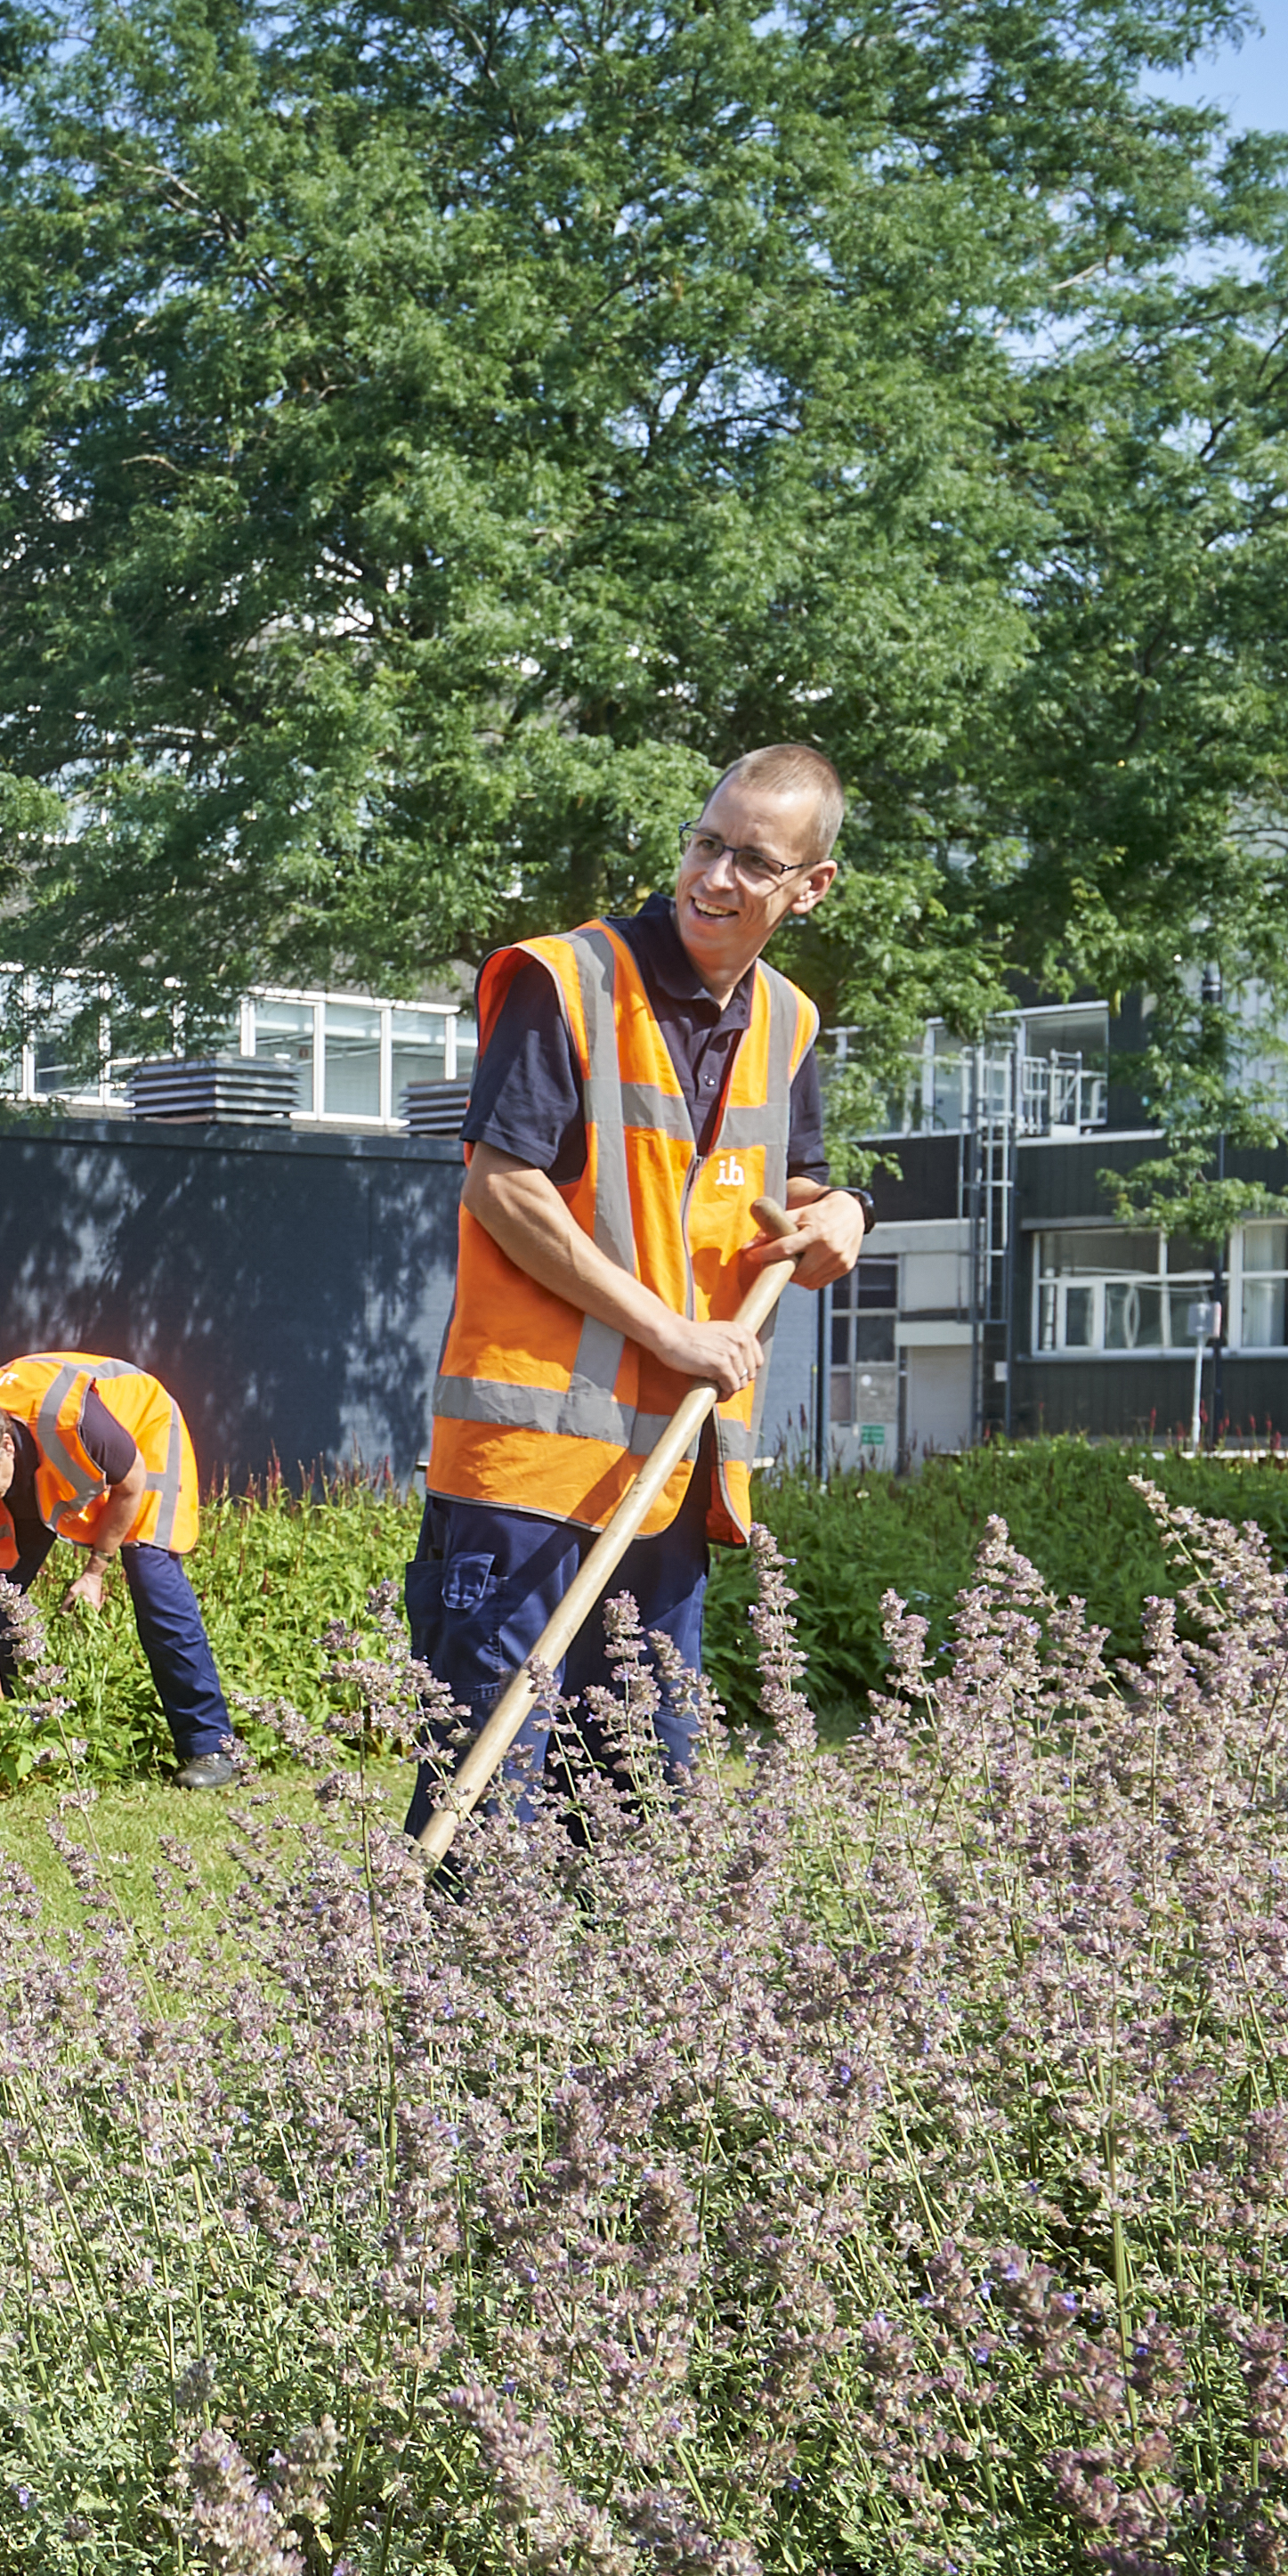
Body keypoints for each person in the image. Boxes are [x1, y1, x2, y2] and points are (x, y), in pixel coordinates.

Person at [410, 744, 872, 1835]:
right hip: (530, 1467)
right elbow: (501, 1185)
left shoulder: (789, 1024)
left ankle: (616, 2006)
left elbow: (783, 1187)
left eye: (752, 861)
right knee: (489, 1793)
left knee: (636, 1803)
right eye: (704, 843)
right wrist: (670, 1330)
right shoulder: (564, 981)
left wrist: (842, 1210)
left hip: (673, 1465)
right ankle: (452, 2003)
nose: (712, 877)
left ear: (810, 887)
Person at [0, 1354, 245, 1788]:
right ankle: (19, 1735)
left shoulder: (78, 1423)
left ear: (6, 1449)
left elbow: (130, 1486)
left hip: (142, 1435)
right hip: (41, 1466)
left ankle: (210, 1747)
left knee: (153, 1582)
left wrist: (95, 1571)